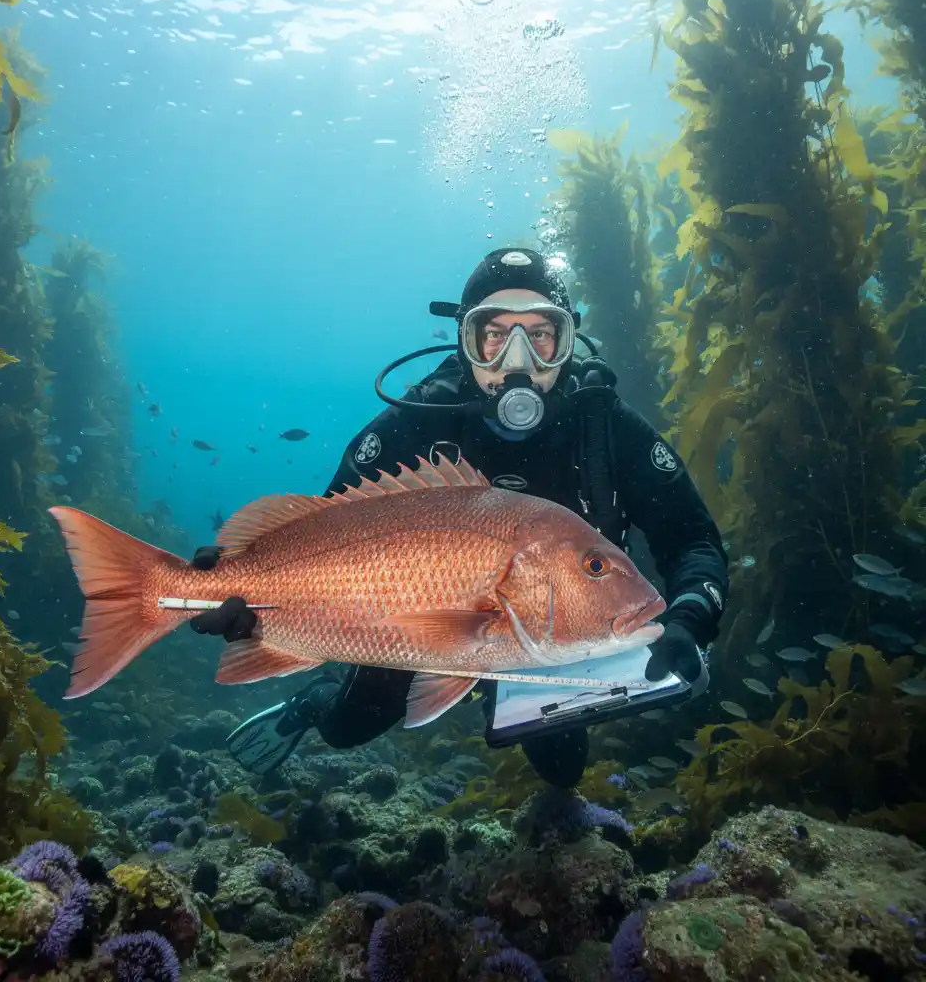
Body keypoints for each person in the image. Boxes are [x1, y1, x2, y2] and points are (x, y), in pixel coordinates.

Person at [190, 247, 730, 786]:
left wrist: (688, 616)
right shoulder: (414, 423)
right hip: (401, 619)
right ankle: (312, 702)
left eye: (541, 335)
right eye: (494, 335)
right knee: (348, 728)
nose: (517, 360)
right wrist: (240, 577)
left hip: (549, 625)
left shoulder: (606, 426)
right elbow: (326, 533)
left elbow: (693, 538)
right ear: (464, 341)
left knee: (564, 769)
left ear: (567, 343)